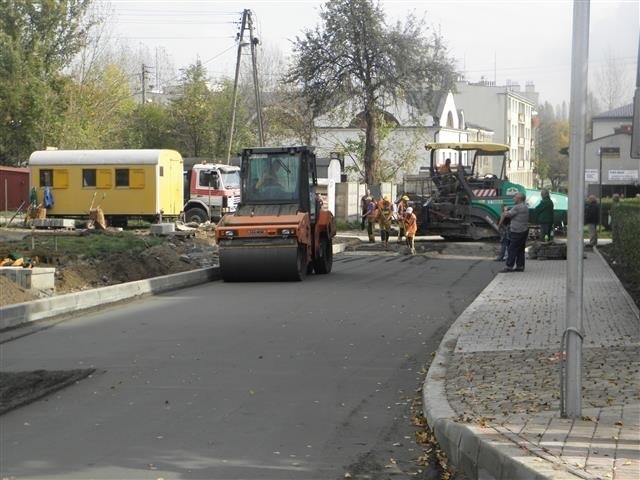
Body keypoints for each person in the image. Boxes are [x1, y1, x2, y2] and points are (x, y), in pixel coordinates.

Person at [500, 192, 529, 272]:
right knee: (520, 249)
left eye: (515, 197)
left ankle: (509, 266)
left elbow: (507, 215)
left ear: (519, 199)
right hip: (524, 230)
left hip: (517, 231)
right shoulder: (525, 206)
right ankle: (520, 266)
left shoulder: (517, 207)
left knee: (512, 249)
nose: (513, 198)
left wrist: (505, 210)